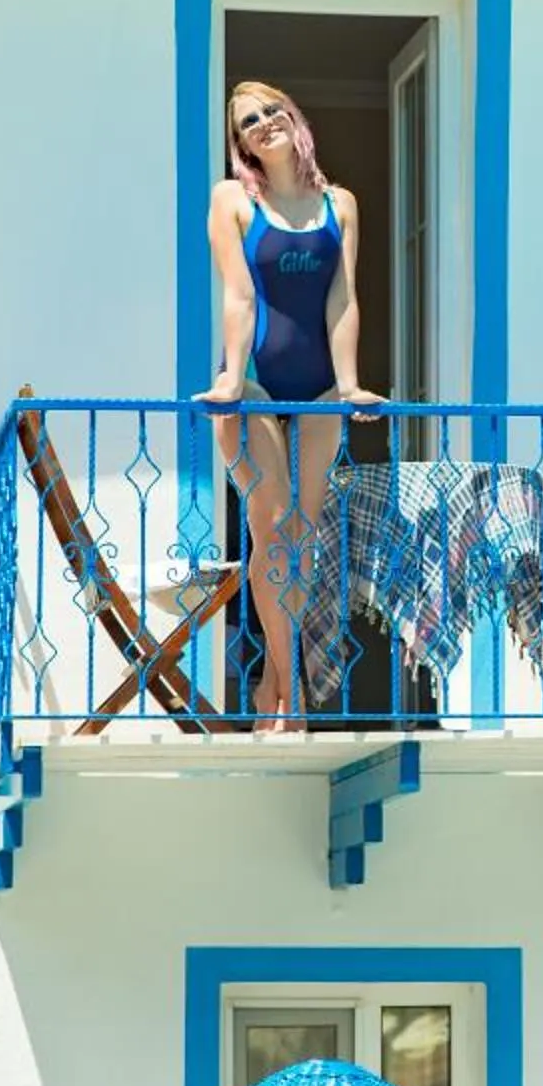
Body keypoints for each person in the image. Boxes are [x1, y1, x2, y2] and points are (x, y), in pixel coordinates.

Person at [196, 81, 380, 729]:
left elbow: (342, 300)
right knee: (271, 521)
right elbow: (240, 296)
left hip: (321, 387)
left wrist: (352, 384)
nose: (264, 123)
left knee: (301, 531)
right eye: (250, 121)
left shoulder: (342, 205)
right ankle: (290, 687)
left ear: (293, 118)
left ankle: (278, 680)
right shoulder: (233, 200)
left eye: (273, 111)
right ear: (240, 142)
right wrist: (229, 381)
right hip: (254, 384)